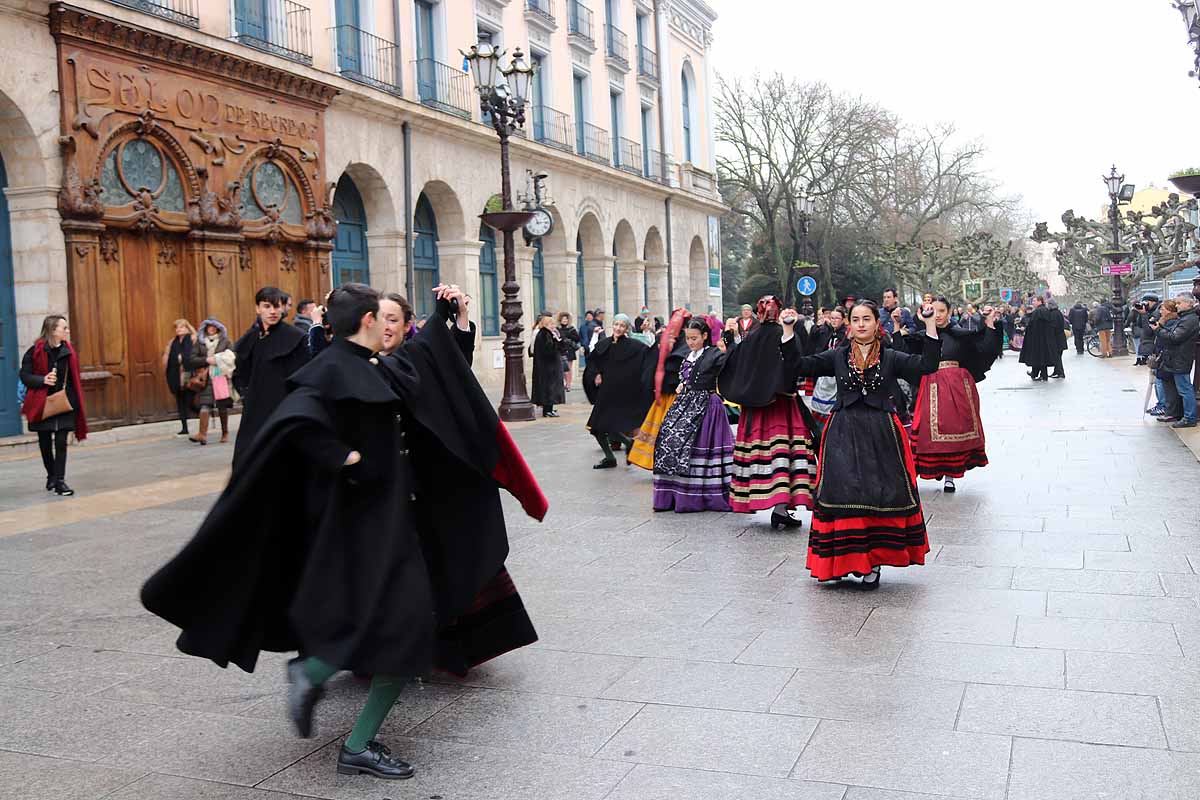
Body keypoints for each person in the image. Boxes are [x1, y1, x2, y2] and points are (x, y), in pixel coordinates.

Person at [141, 283, 545, 781]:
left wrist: (448, 317)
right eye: (384, 317)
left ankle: (327, 698)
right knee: (403, 635)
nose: (391, 325)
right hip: (364, 530)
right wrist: (343, 456)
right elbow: (293, 422)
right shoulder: (332, 368)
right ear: (367, 321)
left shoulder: (371, 363)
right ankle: (334, 711)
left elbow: (426, 363)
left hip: (390, 524)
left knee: (402, 634)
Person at [786, 300, 940, 587]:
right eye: (855, 319)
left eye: (866, 318)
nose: (860, 324)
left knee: (877, 496)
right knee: (844, 494)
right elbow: (798, 365)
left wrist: (930, 323)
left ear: (875, 323)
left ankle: (874, 562)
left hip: (882, 433)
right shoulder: (838, 356)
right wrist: (788, 331)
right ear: (849, 324)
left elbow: (927, 366)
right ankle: (844, 561)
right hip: (843, 432)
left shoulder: (891, 356)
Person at [717, 295, 815, 529]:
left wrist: (730, 341)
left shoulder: (751, 337)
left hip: (755, 409)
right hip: (781, 405)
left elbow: (736, 364)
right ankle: (781, 508)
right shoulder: (784, 334)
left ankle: (775, 505)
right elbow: (794, 364)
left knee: (761, 453)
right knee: (783, 452)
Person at [908, 297, 1001, 493]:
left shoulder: (961, 335)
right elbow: (905, 357)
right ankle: (915, 473)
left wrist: (990, 322)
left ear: (949, 312)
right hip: (929, 388)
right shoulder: (921, 336)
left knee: (954, 430)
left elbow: (985, 349)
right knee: (924, 429)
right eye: (935, 311)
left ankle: (950, 476)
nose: (938, 315)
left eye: (942, 311)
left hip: (957, 390)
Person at [652, 318, 733, 512]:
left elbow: (731, 364)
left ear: (705, 336)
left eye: (694, 338)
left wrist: (733, 341)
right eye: (688, 338)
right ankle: (671, 495)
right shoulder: (688, 355)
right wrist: (682, 384)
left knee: (696, 444)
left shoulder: (714, 354)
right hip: (685, 402)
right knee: (667, 437)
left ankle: (698, 496)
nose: (690, 342)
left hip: (706, 404)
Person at [232, 287, 312, 470]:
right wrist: (245, 393)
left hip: (283, 410)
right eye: (267, 306)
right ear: (258, 308)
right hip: (254, 411)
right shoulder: (251, 337)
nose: (273, 311)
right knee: (247, 462)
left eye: (277, 306)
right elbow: (240, 371)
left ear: (283, 308)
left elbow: (304, 375)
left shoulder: (296, 337)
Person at [20, 314, 87, 496]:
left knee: (61, 442)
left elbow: (74, 381)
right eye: (63, 328)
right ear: (52, 330)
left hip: (64, 404)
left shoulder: (69, 352)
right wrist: (43, 379)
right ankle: (51, 475)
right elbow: (24, 376)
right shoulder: (34, 352)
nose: (67, 331)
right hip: (41, 403)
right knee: (44, 442)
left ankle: (60, 481)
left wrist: (76, 405)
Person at [583, 314, 652, 468]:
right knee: (597, 428)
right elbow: (593, 361)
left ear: (627, 328)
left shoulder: (634, 346)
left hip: (622, 394)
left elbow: (648, 357)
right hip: (606, 393)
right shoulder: (603, 344)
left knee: (606, 426)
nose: (618, 328)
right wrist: (596, 374)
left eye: (622, 326)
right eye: (616, 325)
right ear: (612, 325)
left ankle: (615, 454)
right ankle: (620, 449)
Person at [629, 308, 692, 471]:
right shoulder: (666, 341)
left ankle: (666, 462)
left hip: (673, 395)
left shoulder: (683, 343)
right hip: (667, 395)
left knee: (667, 431)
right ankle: (661, 462)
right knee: (663, 431)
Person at [1150, 294, 1199, 428]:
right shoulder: (1185, 318)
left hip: (1180, 359)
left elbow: (1175, 337)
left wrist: (1158, 330)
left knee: (1184, 389)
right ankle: (1183, 415)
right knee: (1181, 388)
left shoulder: (1189, 320)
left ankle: (1190, 417)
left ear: (1188, 304)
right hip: (1176, 358)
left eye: (1179, 303)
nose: (1176, 305)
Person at [190, 319, 235, 445]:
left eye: (214, 327)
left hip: (220, 375)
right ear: (205, 329)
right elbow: (192, 359)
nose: (211, 329)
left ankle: (225, 433)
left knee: (222, 406)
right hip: (205, 378)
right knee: (205, 405)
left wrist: (219, 359)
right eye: (209, 327)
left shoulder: (225, 341)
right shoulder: (200, 342)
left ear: (218, 329)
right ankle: (202, 434)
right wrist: (207, 360)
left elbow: (233, 355)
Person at [163, 320, 197, 436]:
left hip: (188, 373)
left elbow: (196, 335)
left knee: (189, 401)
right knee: (180, 401)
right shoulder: (173, 342)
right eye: (177, 328)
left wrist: (188, 324)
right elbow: (166, 355)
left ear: (187, 329)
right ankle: (184, 428)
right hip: (176, 374)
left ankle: (200, 412)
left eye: (182, 327)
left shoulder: (191, 338)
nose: (179, 330)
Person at [530, 313, 565, 418]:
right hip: (547, 367)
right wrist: (557, 342)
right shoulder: (544, 334)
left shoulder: (548, 334)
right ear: (545, 324)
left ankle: (549, 408)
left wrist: (558, 340)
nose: (553, 326)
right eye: (551, 324)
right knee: (548, 388)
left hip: (549, 366)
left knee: (551, 388)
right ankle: (547, 410)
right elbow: (549, 350)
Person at [1019, 297, 1059, 381]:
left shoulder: (1038, 311)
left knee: (1040, 357)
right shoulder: (1045, 310)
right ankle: (1042, 374)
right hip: (1043, 338)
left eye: (1034, 301)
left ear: (1039, 301)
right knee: (1042, 357)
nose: (1033, 302)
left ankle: (1041, 375)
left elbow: (1033, 325)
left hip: (1038, 339)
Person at [557, 312, 581, 391]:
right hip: (561, 350)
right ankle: (565, 383)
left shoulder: (571, 329)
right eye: (563, 319)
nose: (565, 320)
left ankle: (568, 385)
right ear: (560, 320)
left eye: (566, 319)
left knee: (568, 368)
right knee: (562, 369)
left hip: (570, 350)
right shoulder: (558, 329)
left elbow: (577, 338)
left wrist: (569, 337)